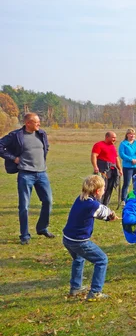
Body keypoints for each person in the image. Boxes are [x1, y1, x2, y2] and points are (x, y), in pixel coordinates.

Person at [0, 113, 54, 245]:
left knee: (48, 201)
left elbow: (45, 148)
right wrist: (13, 158)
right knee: (24, 206)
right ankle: (24, 235)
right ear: (28, 123)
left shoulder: (42, 134)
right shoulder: (16, 135)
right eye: (36, 122)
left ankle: (42, 228)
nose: (39, 124)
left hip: (42, 173)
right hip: (26, 174)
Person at [62, 175, 118, 301]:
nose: (104, 191)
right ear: (98, 191)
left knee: (79, 258)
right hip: (78, 241)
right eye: (104, 189)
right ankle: (95, 292)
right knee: (102, 260)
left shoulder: (81, 198)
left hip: (67, 239)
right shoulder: (93, 205)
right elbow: (106, 213)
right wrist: (112, 216)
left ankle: (75, 288)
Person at [91, 131, 123, 206]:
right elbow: (94, 156)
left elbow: (116, 158)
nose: (114, 139)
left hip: (113, 171)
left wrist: (120, 169)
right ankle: (98, 204)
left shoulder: (112, 146)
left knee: (109, 188)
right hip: (103, 170)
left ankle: (105, 204)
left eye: (115, 138)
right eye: (113, 137)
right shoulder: (99, 145)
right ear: (107, 137)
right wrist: (95, 166)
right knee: (101, 187)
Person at [119, 128, 136, 205]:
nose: (132, 136)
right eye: (131, 134)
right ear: (127, 135)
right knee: (127, 183)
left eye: (134, 134)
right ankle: (123, 199)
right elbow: (122, 154)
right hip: (128, 166)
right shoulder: (123, 144)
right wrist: (131, 160)